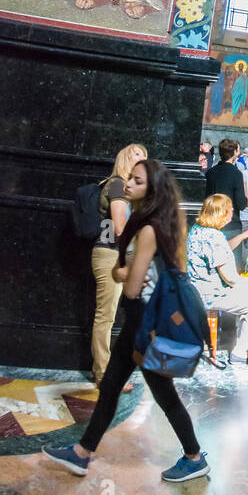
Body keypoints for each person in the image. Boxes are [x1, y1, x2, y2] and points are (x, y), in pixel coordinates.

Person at [44, 159, 209, 483]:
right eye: (130, 178)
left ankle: (194, 457)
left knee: (163, 395)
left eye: (137, 181)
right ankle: (82, 453)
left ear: (151, 190)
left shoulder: (148, 228)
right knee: (110, 388)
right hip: (140, 324)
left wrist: (121, 271)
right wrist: (127, 270)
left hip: (145, 325)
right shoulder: (148, 222)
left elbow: (131, 286)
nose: (128, 184)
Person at [187, 194, 248, 366]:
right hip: (210, 294)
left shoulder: (198, 229)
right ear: (221, 214)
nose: (232, 212)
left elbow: (221, 250)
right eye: (230, 210)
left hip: (195, 289)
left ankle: (240, 340)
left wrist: (242, 236)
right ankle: (240, 352)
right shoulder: (214, 237)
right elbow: (229, 277)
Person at [90, 142, 147, 390]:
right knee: (106, 316)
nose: (142, 158)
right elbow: (120, 226)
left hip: (121, 255)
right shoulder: (116, 184)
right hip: (110, 255)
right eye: (136, 154)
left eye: (144, 156)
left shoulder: (127, 189)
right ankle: (103, 373)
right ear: (125, 157)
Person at [205, 139, 246, 261]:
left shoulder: (211, 172)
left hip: (212, 223)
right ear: (234, 152)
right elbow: (241, 203)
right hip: (231, 224)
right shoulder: (236, 174)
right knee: (233, 263)